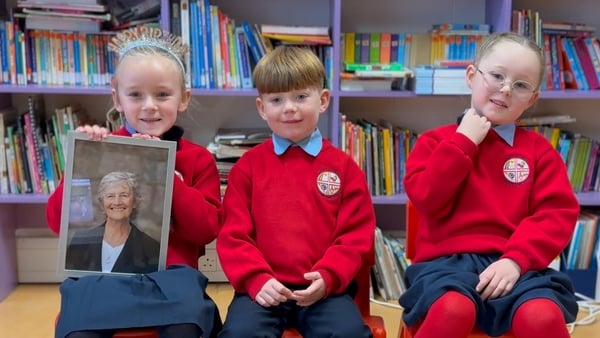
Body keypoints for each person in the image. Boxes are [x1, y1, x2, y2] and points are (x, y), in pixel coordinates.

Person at [46, 26, 223, 338]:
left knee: (186, 327)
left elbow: (205, 230)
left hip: (172, 280)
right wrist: (82, 164)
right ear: (117, 98)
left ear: (183, 98)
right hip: (103, 278)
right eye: (135, 94)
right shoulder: (101, 148)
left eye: (163, 94)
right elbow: (58, 223)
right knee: (80, 332)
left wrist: (169, 175)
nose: (149, 105)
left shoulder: (197, 160)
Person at [400, 32, 579, 338]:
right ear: (471, 76)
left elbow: (555, 214)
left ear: (533, 98)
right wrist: (463, 143)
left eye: (521, 85)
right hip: (446, 268)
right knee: (453, 308)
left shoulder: (539, 151)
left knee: (542, 316)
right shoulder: (435, 142)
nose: (506, 89)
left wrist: (515, 261)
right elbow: (428, 200)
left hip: (516, 266)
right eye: (496, 75)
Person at [216, 46, 375, 338]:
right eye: (277, 99)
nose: (289, 108)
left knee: (350, 334)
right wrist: (256, 278)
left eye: (301, 97)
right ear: (262, 108)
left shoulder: (344, 167)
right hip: (263, 291)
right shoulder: (247, 168)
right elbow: (233, 235)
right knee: (239, 334)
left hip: (324, 293)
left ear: (323, 100)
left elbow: (355, 235)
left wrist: (329, 276)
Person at [65, 171, 160, 274]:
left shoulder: (151, 247)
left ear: (135, 202)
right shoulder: (81, 240)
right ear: (102, 203)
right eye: (110, 196)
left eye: (124, 195)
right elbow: (71, 283)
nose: (117, 202)